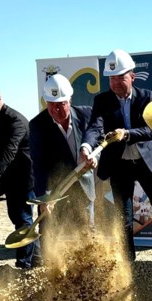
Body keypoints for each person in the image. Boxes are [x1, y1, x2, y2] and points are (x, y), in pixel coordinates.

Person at [81, 49, 152, 263]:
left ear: (132, 77)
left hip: (146, 163)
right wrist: (86, 147)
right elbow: (94, 127)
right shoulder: (102, 100)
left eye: (121, 78)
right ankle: (130, 265)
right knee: (124, 219)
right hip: (120, 167)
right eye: (112, 78)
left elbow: (150, 130)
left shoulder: (146, 97)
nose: (116, 83)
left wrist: (126, 134)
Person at [29, 73, 96, 259]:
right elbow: (39, 164)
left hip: (83, 186)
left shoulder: (85, 115)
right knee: (50, 234)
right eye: (51, 105)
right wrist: (44, 197)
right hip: (55, 190)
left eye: (61, 105)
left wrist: (92, 154)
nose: (56, 110)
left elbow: (97, 137)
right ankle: (51, 271)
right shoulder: (37, 125)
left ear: (70, 100)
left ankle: (90, 269)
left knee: (86, 234)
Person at [0, 85, 39, 269]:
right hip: (10, 179)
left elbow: (7, 153)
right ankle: (37, 257)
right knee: (17, 218)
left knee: (23, 221)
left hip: (24, 178)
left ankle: (24, 264)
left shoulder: (15, 121)